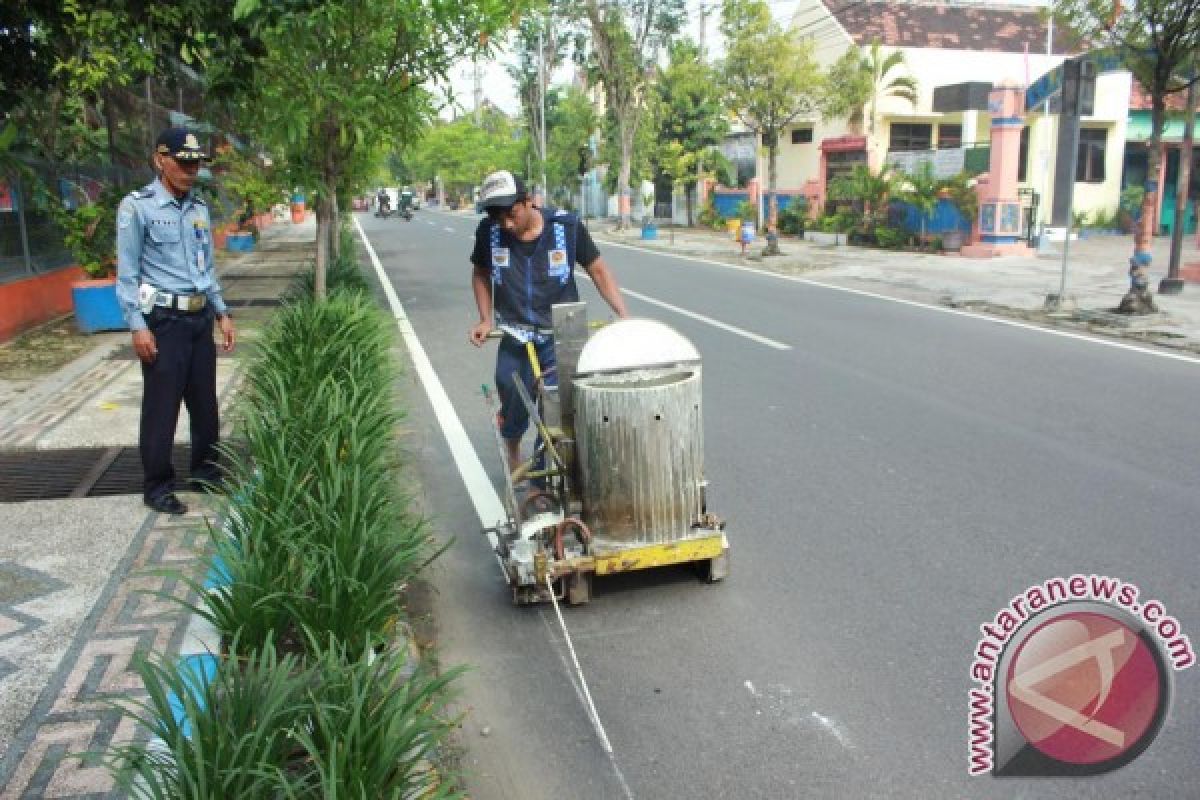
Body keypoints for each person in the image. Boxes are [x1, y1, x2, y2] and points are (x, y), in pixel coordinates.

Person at [468, 170, 628, 473]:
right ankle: (514, 451)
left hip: (561, 335)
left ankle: (547, 480)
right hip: (516, 334)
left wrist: (623, 315)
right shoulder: (488, 232)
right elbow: (480, 274)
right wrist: (485, 319)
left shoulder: (566, 228)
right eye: (496, 216)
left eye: (511, 213)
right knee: (512, 397)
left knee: (557, 410)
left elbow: (598, 270)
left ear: (529, 202)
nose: (506, 224)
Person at [116, 127, 236, 516]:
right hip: (163, 321)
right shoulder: (138, 207)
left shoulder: (199, 208)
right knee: (162, 407)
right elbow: (127, 275)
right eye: (183, 162)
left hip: (199, 317)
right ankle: (157, 485)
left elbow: (207, 268)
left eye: (195, 163)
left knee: (204, 405)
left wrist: (221, 311)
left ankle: (205, 472)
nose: (190, 169)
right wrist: (137, 325)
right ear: (160, 160)